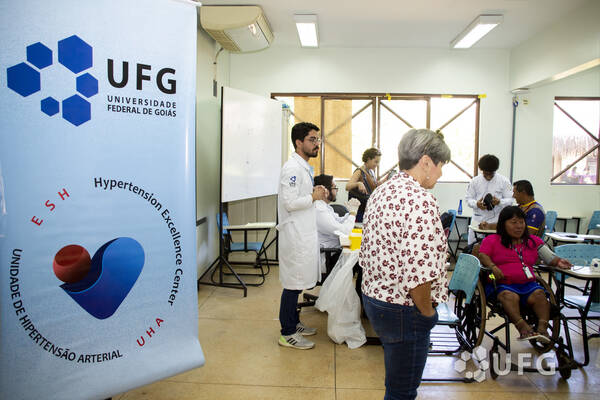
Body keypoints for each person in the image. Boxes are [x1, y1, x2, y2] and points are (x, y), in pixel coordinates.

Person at [359, 129, 451, 400]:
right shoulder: (421, 201)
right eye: (441, 165)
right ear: (426, 162)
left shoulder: (382, 191)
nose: (441, 173)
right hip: (404, 308)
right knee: (402, 392)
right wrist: (427, 313)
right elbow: (418, 272)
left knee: (396, 382)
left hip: (375, 298)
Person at [478, 206, 571, 342]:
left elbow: (550, 258)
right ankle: (523, 328)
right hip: (501, 284)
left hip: (528, 284)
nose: (519, 226)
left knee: (540, 294)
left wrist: (559, 262)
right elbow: (482, 255)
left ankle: (542, 329)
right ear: (503, 224)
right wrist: (493, 267)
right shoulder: (492, 240)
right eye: (514, 222)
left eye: (521, 222)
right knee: (509, 296)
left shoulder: (533, 241)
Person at [277, 122, 328, 350]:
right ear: (299, 143)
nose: (317, 144)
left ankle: (294, 323)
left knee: (297, 284)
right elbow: (289, 203)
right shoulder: (292, 169)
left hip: (303, 233)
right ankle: (287, 333)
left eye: (317, 139)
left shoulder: (304, 167)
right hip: (295, 235)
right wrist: (313, 197)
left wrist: (314, 194)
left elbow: (301, 197)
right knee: (292, 284)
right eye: (312, 139)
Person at [465, 154, 513, 244]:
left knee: (495, 247)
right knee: (473, 246)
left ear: (495, 170)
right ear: (482, 170)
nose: (488, 176)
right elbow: (468, 199)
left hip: (495, 222)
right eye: (485, 173)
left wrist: (500, 202)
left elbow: (510, 200)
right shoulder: (475, 181)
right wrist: (476, 204)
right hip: (478, 219)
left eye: (491, 174)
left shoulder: (504, 181)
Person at [476, 180, 546, 237]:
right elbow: (504, 224)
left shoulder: (536, 211)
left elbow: (526, 234)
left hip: (525, 246)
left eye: (514, 192)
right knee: (479, 245)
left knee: (481, 246)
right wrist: (488, 226)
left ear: (523, 193)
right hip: (513, 242)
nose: (513, 196)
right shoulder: (520, 207)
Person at [346, 148, 394, 223]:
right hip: (359, 210)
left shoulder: (371, 171)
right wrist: (358, 183)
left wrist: (386, 178)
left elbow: (374, 186)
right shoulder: (359, 171)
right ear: (368, 159)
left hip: (367, 208)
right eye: (376, 162)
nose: (377, 165)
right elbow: (347, 186)